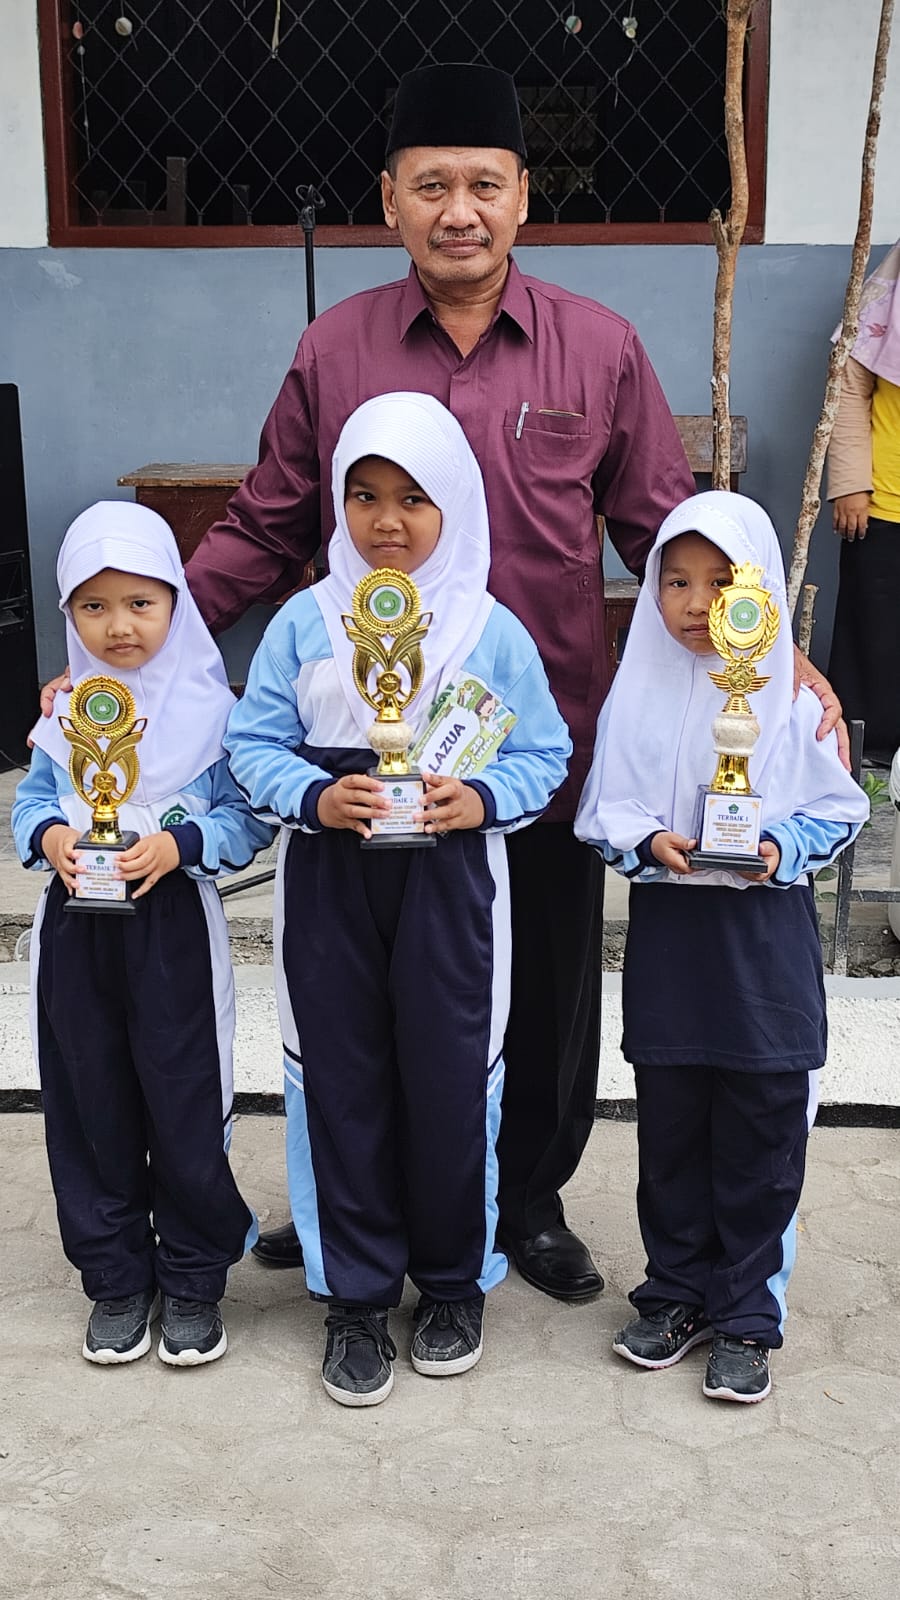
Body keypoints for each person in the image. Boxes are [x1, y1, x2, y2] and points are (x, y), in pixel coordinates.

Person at [40, 64, 844, 1302]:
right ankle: (359, 1195)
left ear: (523, 195)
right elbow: (265, 522)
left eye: (482, 184)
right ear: (389, 199)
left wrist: (771, 647)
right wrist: (116, 658)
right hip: (368, 762)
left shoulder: (599, 347)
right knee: (363, 1004)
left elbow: (666, 530)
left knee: (546, 991)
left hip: (541, 740)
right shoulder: (337, 348)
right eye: (430, 187)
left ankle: (524, 1201)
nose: (457, 211)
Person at [223, 392, 570, 1405]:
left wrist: (482, 798)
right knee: (338, 1079)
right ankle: (357, 1295)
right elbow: (252, 743)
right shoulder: (305, 621)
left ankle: (453, 1283)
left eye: (414, 498)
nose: (386, 521)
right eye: (364, 495)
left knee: (454, 1080)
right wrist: (315, 795)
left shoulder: (492, 632)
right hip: (331, 882)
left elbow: (545, 753)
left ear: (454, 502)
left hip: (452, 889)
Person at [574, 490, 867, 1403]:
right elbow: (603, 810)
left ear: (761, 592)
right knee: (671, 1129)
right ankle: (674, 1292)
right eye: (676, 581)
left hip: (762, 950)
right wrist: (647, 842)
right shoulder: (638, 689)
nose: (697, 603)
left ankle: (746, 1315)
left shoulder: (796, 698)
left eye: (722, 582)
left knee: (761, 1133)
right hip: (673, 946)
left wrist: (779, 849)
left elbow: (838, 808)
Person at [14, 502, 272, 1367]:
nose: (118, 626)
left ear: (176, 605)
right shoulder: (66, 712)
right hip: (76, 929)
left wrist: (179, 844)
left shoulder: (213, 712)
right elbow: (31, 803)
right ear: (68, 614)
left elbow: (244, 818)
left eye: (140, 603)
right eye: (93, 606)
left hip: (173, 928)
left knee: (186, 1100)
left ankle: (194, 1276)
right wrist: (54, 836)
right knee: (89, 1100)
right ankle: (116, 1277)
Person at [827, 237, 900, 764]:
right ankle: (869, 761)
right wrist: (850, 485)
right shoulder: (884, 302)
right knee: (873, 639)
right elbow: (849, 391)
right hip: (883, 505)